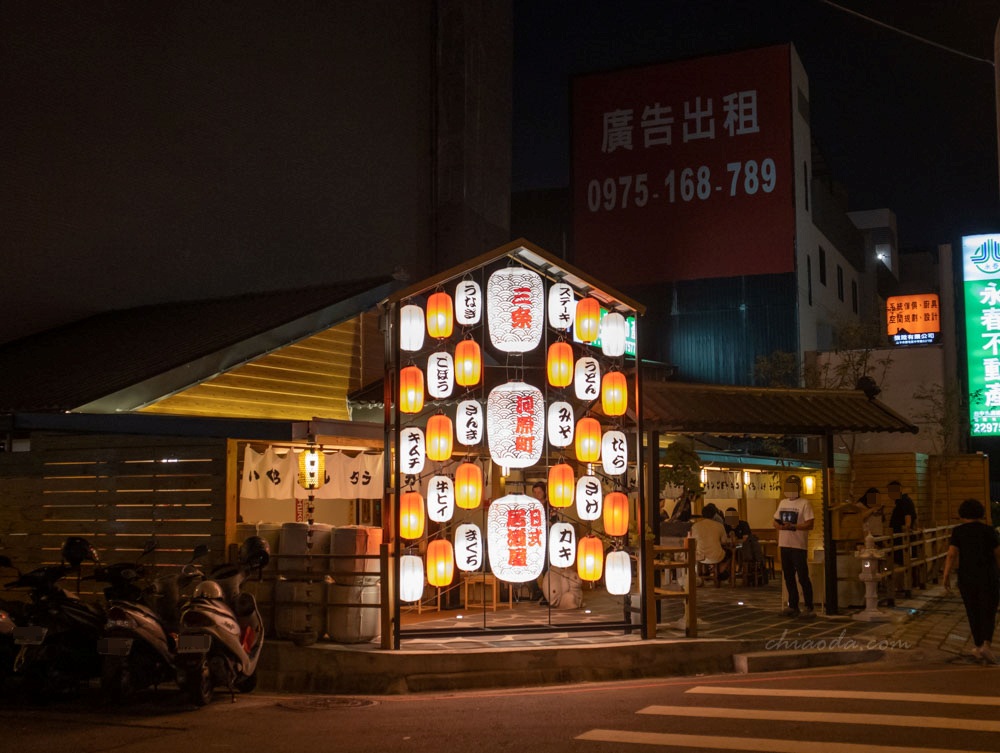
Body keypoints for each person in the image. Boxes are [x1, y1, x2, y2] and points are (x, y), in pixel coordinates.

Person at [941, 498, 1000, 664]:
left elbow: (952, 554)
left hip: (967, 577)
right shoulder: (989, 531)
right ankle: (986, 644)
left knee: (972, 610)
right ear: (980, 513)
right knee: (988, 610)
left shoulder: (958, 531)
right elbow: (997, 554)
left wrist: (946, 575)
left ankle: (978, 645)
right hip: (989, 576)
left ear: (962, 513)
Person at [773, 474, 815, 617]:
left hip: (798, 545)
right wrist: (780, 527)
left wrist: (794, 526)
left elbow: (810, 523)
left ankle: (809, 606)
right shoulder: (782, 503)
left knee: (803, 576)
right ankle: (793, 605)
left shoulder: (805, 503)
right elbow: (775, 521)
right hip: (784, 544)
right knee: (788, 575)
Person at [887, 480, 920, 593]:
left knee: (901, 560)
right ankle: (904, 585)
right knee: (902, 561)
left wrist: (907, 528)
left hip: (901, 538)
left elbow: (908, 516)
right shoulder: (902, 501)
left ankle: (903, 586)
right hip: (899, 537)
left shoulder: (904, 501)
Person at [689, 502, 732, 579]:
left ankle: (706, 572)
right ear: (714, 514)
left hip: (700, 556)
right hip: (716, 556)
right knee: (729, 552)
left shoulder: (695, 526)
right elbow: (724, 541)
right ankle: (719, 571)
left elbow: (692, 540)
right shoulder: (719, 525)